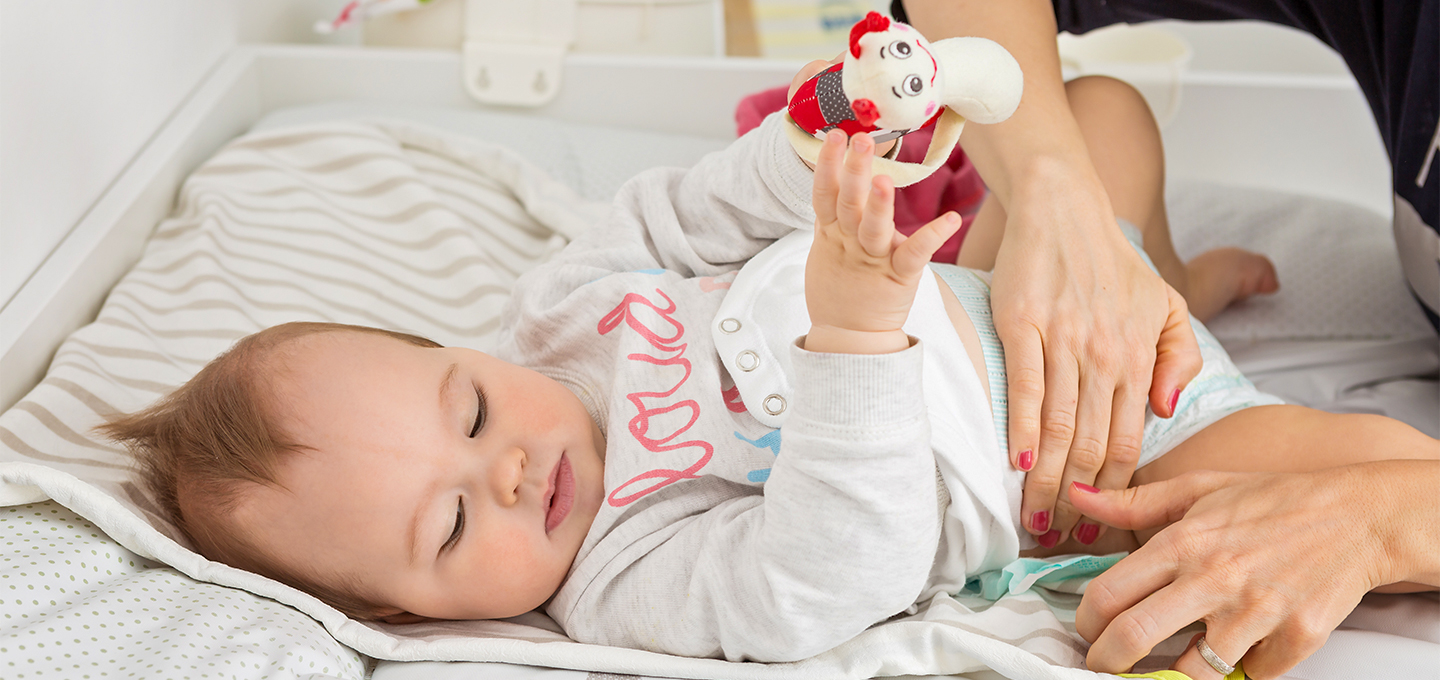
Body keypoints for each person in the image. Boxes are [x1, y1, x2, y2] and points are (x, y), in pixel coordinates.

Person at [98, 65, 1436, 666]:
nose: (507, 465)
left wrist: (806, 147)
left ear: (464, 351)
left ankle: (1161, 268)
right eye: (450, 524)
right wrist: (852, 331)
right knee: (1378, 479)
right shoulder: (624, 579)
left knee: (1094, 109)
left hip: (1032, 302)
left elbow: (690, 211)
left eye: (466, 408)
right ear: (409, 617)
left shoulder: (560, 313)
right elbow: (823, 578)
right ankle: (1195, 337)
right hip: (1102, 457)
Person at [893, 0, 1439, 677]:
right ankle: (1168, 290)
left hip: (1154, 431)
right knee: (1103, 106)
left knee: (1383, 466)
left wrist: (1381, 519)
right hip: (1014, 310)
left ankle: (1173, 299)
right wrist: (1055, 199)